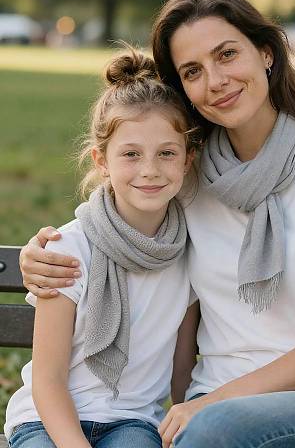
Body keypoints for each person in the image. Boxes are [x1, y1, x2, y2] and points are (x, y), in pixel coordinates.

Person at [20, 0, 295, 447]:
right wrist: (41, 255)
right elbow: (118, 220)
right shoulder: (187, 177)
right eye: (193, 71)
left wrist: (215, 403)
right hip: (209, 406)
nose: (215, 81)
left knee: (214, 430)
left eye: (227, 54)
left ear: (267, 53)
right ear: (183, 90)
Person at [5, 46, 200, 448]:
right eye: (131, 154)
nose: (149, 169)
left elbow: (183, 370)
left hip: (132, 422)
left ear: (187, 161)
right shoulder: (70, 248)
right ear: (101, 160)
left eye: (166, 153)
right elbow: (48, 380)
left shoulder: (189, 253)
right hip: (45, 421)